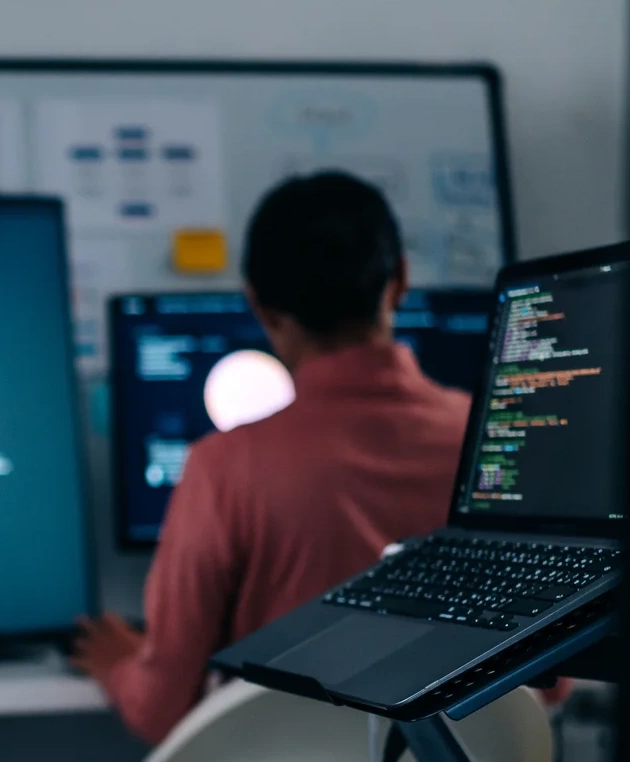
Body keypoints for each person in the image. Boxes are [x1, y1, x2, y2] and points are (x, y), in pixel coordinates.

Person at [72, 171, 472, 745]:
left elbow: (164, 712)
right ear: (400, 280)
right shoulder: (488, 439)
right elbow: (545, 685)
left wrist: (119, 664)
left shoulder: (223, 469)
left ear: (259, 305)